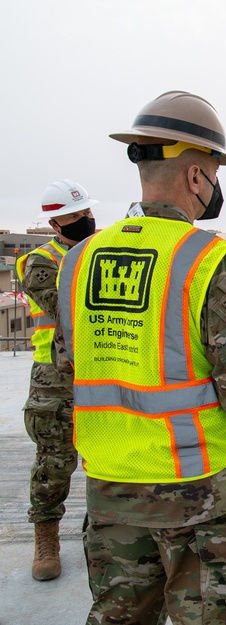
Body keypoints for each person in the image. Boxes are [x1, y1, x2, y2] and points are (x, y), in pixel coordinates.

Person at [55, 90, 226, 624]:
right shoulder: (210, 260)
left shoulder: (78, 261)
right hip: (201, 493)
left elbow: (70, 368)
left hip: (110, 488)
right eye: (213, 173)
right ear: (194, 178)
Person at [16, 178, 97, 581]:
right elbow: (73, 308)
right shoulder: (40, 263)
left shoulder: (102, 252)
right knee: (54, 461)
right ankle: (46, 539)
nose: (87, 221)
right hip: (56, 379)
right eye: (76, 217)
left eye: (87, 213)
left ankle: (100, 534)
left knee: (106, 455)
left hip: (101, 371)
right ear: (55, 224)